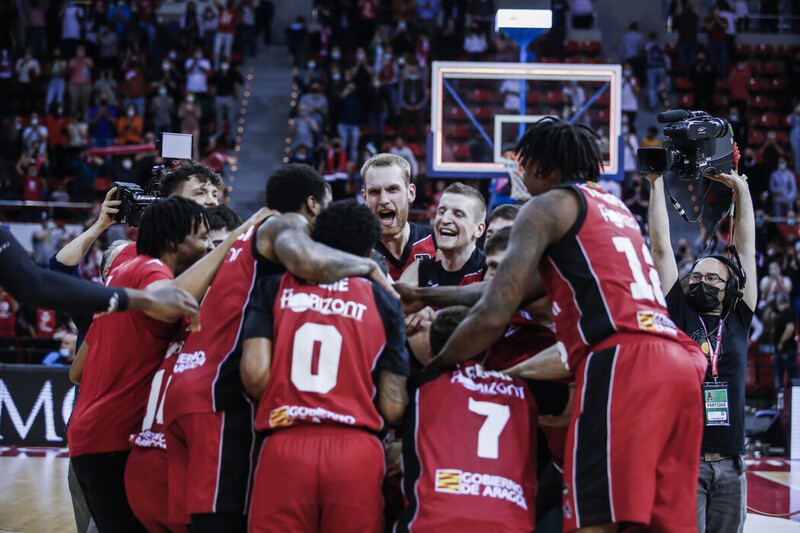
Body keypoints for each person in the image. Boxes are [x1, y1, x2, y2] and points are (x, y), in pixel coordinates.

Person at [423, 117, 706, 532]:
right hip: (677, 361)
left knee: (595, 521)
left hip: (622, 360)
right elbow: (511, 288)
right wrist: (422, 294)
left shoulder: (548, 205)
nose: (520, 172)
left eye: (524, 162)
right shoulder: (614, 208)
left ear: (542, 166)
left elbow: (495, 312)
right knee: (656, 524)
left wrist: (436, 370)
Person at [163, 165, 393, 532]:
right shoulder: (285, 223)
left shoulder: (247, 234)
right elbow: (305, 261)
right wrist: (370, 269)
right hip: (220, 392)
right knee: (223, 520)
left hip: (186, 385)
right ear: (313, 204)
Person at [68, 197, 266, 533]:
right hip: (118, 439)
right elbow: (170, 302)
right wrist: (238, 237)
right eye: (202, 238)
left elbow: (77, 371)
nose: (208, 246)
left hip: (85, 437)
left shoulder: (120, 275)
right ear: (173, 242)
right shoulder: (151, 269)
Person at [241, 198, 409, 533]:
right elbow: (393, 407)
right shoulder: (385, 302)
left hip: (285, 444)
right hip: (356, 451)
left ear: (317, 242)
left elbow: (254, 376)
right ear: (368, 252)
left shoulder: (273, 287)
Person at [646, 165, 756, 533]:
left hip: (731, 463)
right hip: (684, 460)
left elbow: (746, 251)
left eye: (711, 278)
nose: (701, 282)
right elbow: (661, 249)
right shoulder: (678, 309)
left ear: (730, 287)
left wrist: (742, 192)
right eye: (695, 276)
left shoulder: (739, 316)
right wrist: (656, 183)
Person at [397, 306, 543, 532]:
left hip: (436, 518)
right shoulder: (524, 389)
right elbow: (576, 400)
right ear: (486, 348)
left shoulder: (418, 387)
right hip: (509, 522)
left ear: (430, 350)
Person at [361, 153, 435, 280]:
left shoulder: (436, 241)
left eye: (392, 189)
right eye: (374, 192)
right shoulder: (355, 251)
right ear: (365, 198)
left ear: (410, 193)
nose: (384, 200)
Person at [400, 182, 486, 288]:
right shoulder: (417, 272)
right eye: (441, 212)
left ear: (478, 229)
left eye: (458, 214)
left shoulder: (489, 270)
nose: (445, 220)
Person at [773, 292, 797, 392]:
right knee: (789, 376)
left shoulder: (786, 312)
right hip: (786, 350)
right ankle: (787, 398)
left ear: (779, 302)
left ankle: (787, 398)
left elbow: (790, 328)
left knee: (785, 377)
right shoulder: (785, 313)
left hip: (786, 350)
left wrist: (781, 342)